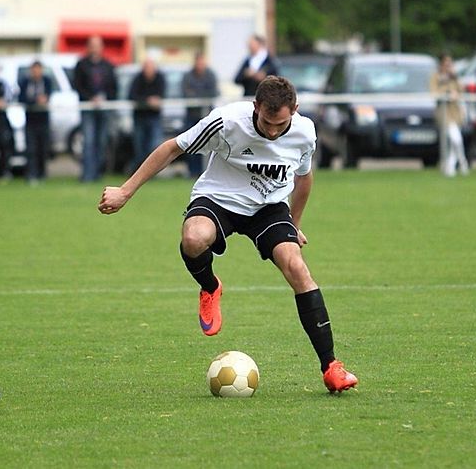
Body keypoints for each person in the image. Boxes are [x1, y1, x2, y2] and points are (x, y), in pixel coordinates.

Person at [98, 75, 359, 393]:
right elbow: (171, 148)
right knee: (194, 239)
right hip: (219, 198)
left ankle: (331, 367)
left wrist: (295, 223)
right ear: (256, 107)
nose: (273, 131)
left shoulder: (305, 132)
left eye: (281, 124)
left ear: (295, 110)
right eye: (266, 122)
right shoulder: (225, 122)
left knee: (297, 267)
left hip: (269, 206)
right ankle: (210, 287)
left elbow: (304, 178)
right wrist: (125, 191)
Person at [73, 35, 117, 182]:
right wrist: (90, 98)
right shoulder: (81, 65)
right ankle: (87, 174)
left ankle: (98, 173)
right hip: (88, 108)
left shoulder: (108, 65)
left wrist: (104, 98)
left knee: (101, 141)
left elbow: (113, 87)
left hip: (104, 108)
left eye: (97, 45)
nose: (95, 48)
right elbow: (77, 86)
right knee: (88, 141)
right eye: (92, 45)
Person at [180, 52, 219, 177]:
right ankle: (192, 172)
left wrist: (196, 94)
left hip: (206, 116)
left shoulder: (210, 75)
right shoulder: (188, 76)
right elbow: (185, 93)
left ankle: (205, 172)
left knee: (208, 146)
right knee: (190, 145)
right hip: (191, 116)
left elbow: (213, 92)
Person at [431, 54, 469, 177]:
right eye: (446, 64)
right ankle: (462, 162)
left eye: (450, 64)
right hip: (444, 113)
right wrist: (447, 93)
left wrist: (455, 80)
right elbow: (434, 93)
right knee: (455, 139)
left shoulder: (454, 77)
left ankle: (452, 166)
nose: (448, 67)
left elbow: (461, 90)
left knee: (455, 141)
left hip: (455, 112)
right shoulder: (436, 77)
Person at [18, 61, 54, 183]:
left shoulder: (47, 81)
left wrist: (45, 99)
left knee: (43, 147)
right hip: (30, 120)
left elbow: (50, 95)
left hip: (43, 119)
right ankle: (31, 174)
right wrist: (35, 100)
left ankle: (42, 174)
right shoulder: (25, 82)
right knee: (31, 148)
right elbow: (22, 98)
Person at [128, 58, 165, 171]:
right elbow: (132, 96)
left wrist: (156, 100)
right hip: (140, 116)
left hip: (154, 117)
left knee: (154, 145)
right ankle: (138, 171)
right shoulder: (137, 79)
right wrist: (147, 101)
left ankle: (151, 171)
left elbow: (162, 94)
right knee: (139, 147)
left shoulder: (160, 78)